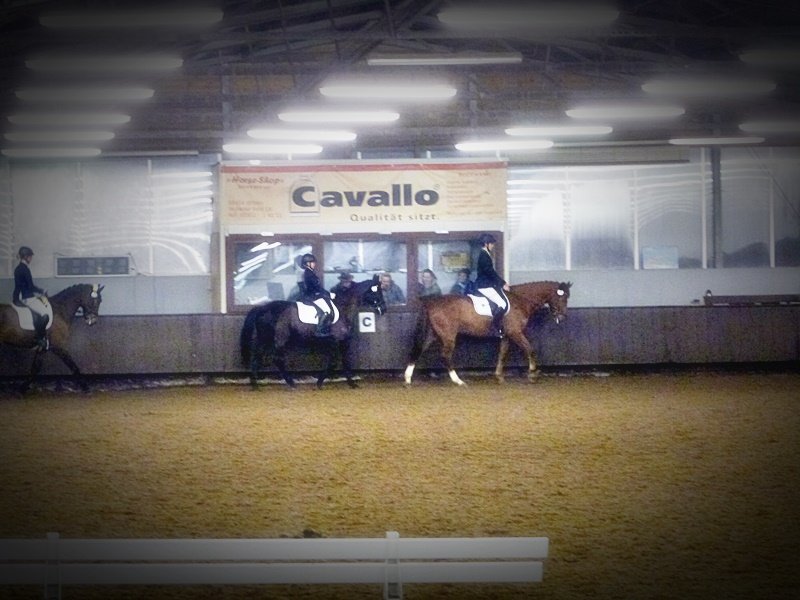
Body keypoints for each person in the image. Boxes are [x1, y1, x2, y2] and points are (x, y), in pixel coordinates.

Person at [12, 246, 49, 350]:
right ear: (26, 257)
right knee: (44, 314)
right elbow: (31, 287)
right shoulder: (25, 269)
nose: (31, 259)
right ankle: (40, 339)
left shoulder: (18, 268)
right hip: (26, 297)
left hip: (18, 296)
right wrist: (42, 291)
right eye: (30, 257)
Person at [474, 233, 510, 337]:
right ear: (486, 244)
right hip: (484, 285)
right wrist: (503, 283)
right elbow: (490, 272)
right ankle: (495, 328)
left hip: (486, 284)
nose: (493, 246)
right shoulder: (484, 256)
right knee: (502, 304)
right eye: (491, 244)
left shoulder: (485, 254)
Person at [300, 253, 334, 336]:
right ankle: (320, 329)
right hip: (310, 295)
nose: (314, 264)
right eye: (312, 262)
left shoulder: (311, 272)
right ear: (307, 263)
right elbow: (316, 287)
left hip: (314, 294)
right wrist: (327, 293)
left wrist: (326, 293)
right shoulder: (308, 273)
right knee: (324, 310)